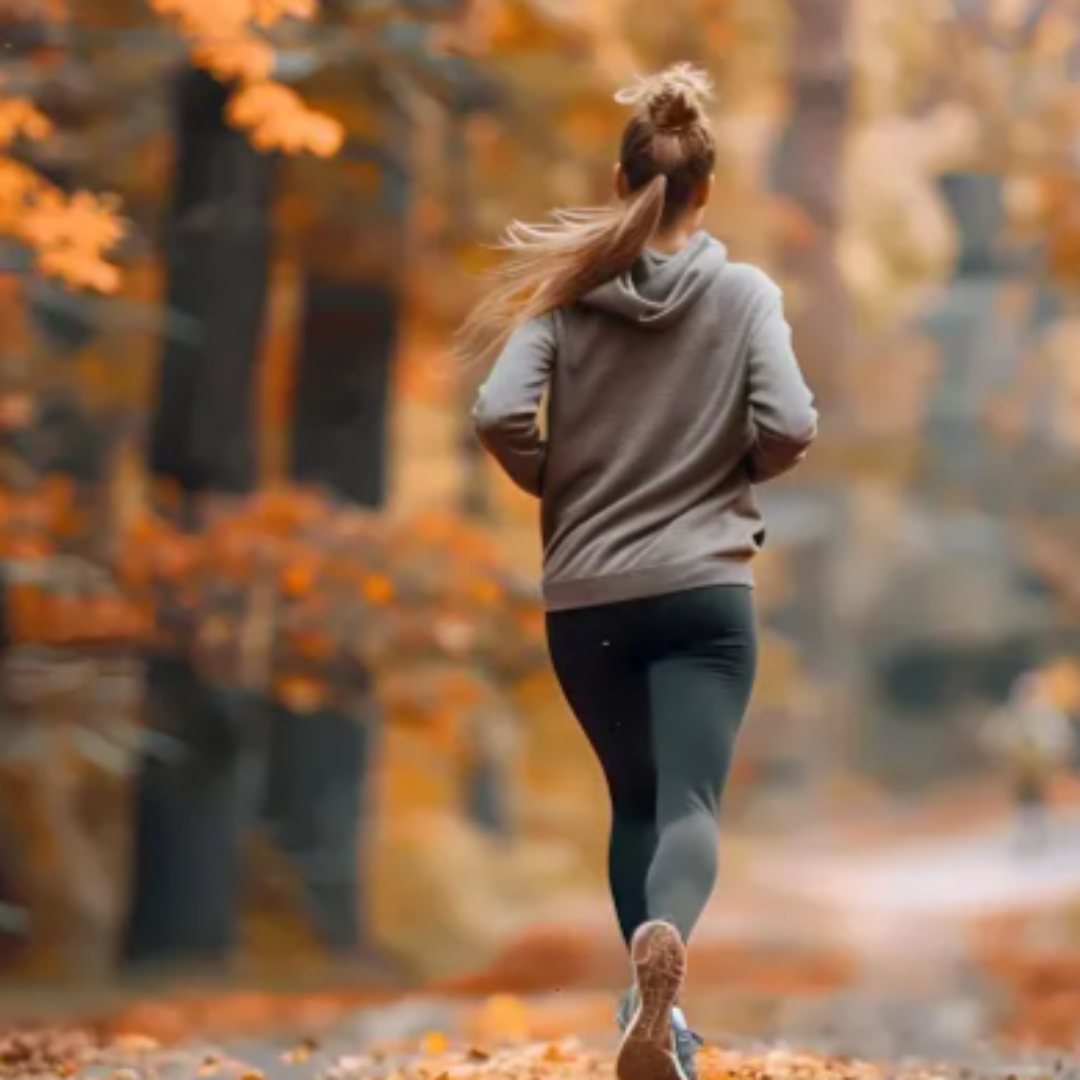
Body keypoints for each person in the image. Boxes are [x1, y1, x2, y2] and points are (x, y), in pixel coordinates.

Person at [462, 64, 817, 1080]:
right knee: (690, 806)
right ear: (706, 190)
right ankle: (663, 980)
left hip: (590, 594)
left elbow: (494, 414)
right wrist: (737, 469)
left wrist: (560, 485)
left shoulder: (565, 300)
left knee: (632, 803)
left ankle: (648, 1013)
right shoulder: (746, 294)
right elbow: (791, 423)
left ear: (623, 185)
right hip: (705, 587)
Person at [980, 669, 1075, 856]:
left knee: (1038, 797)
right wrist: (1007, 754)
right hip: (1021, 764)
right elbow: (994, 736)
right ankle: (1029, 832)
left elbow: (1060, 737)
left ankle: (1040, 831)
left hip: (1040, 762)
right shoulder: (1013, 715)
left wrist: (1054, 755)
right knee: (1025, 798)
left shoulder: (1048, 713)